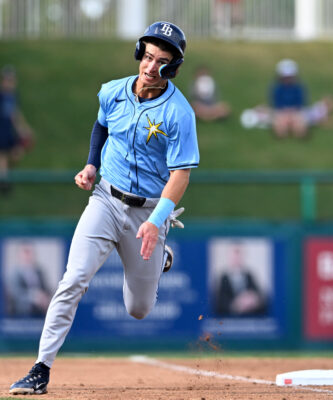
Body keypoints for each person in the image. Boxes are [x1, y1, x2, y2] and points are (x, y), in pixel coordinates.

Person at [9, 21, 199, 395]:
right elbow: (101, 127)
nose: (149, 66)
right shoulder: (113, 91)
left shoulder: (179, 113)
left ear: (173, 68)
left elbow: (180, 176)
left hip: (147, 213)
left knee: (138, 309)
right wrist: (91, 165)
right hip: (105, 199)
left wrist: (157, 221)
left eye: (160, 61)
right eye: (146, 55)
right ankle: (40, 369)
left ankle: (159, 255)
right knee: (72, 280)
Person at [240, 59, 333, 138]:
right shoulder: (276, 88)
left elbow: (300, 104)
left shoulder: (299, 87)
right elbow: (277, 104)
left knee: (300, 129)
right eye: (285, 76)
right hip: (282, 112)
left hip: (296, 112)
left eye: (290, 76)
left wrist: (292, 114)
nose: (288, 79)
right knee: (280, 128)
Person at [0, 65, 34, 194]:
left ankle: (5, 176)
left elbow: (15, 114)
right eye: (7, 80)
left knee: (16, 153)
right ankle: (4, 182)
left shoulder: (13, 96)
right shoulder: (1, 96)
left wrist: (24, 129)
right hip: (1, 129)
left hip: (8, 130)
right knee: (2, 156)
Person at [215, 245, 266, 316]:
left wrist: (252, 300)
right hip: (229, 320)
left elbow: (258, 296)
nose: (236, 259)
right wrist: (236, 304)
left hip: (250, 318)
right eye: (234, 256)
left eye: (239, 256)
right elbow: (219, 301)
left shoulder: (249, 275)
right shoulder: (223, 277)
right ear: (229, 257)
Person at [6, 242, 52, 317]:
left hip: (41, 313)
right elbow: (16, 294)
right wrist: (34, 296)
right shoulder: (14, 274)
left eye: (29, 252)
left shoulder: (39, 271)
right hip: (21, 315)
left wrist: (45, 297)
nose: (27, 256)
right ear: (19, 255)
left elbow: (47, 289)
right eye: (25, 252)